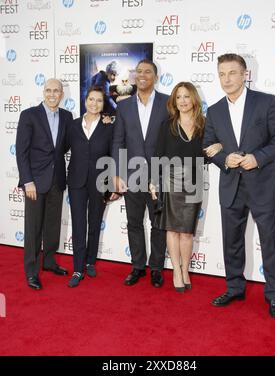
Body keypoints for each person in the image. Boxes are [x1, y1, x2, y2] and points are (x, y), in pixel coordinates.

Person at [203, 53, 275, 319]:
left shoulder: (265, 102)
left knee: (269, 241)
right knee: (231, 241)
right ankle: (234, 287)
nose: (226, 79)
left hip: (262, 184)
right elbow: (207, 145)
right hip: (231, 185)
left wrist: (258, 158)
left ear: (244, 75)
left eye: (232, 73)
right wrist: (223, 158)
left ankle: (274, 295)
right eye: (221, 74)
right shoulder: (215, 109)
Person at [150, 82, 222, 292]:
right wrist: (153, 181)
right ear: (174, 101)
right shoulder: (168, 125)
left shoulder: (205, 124)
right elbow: (158, 155)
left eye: (186, 96)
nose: (182, 101)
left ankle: (185, 269)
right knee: (172, 229)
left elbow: (212, 150)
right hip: (170, 180)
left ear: (194, 99)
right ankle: (175, 270)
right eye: (178, 97)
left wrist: (219, 145)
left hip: (194, 180)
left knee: (187, 232)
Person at [111, 59, 169, 288]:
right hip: (131, 175)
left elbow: (171, 139)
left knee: (158, 225)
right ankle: (137, 266)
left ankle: (156, 268)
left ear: (156, 77)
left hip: (158, 176)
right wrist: (116, 173)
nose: (142, 75)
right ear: (134, 77)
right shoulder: (123, 106)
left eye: (148, 72)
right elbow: (118, 141)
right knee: (133, 222)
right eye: (139, 72)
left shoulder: (167, 103)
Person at [16, 78, 73, 290]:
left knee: (52, 225)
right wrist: (27, 180)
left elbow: (65, 146)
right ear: (43, 91)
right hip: (35, 182)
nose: (52, 94)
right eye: (48, 90)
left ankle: (49, 262)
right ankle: (31, 271)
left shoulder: (67, 116)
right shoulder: (29, 115)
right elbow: (21, 152)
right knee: (33, 229)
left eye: (56, 91)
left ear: (61, 94)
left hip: (57, 180)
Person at [67, 85, 115, 288]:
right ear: (85, 101)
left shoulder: (109, 126)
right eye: (91, 99)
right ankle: (78, 268)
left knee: (94, 222)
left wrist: (113, 184)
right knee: (79, 224)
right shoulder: (73, 125)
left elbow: (113, 155)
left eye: (99, 100)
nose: (94, 103)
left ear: (103, 104)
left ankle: (90, 261)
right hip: (76, 181)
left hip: (100, 181)